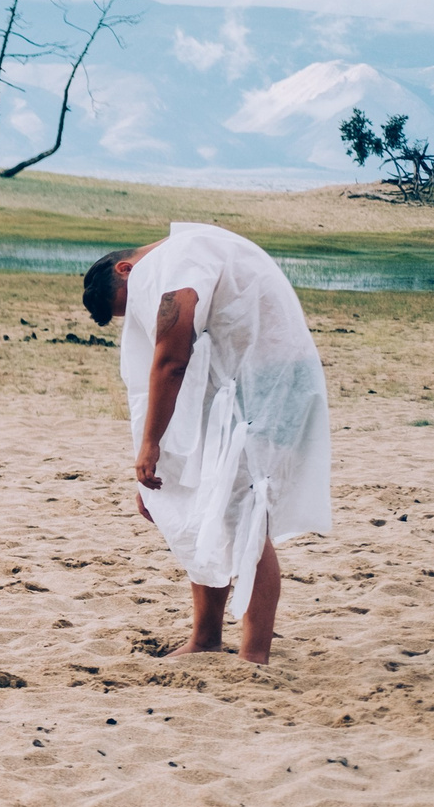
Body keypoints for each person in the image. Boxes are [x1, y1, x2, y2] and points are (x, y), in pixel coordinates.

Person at [83, 223, 331, 664]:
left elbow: (172, 358)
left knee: (244, 511)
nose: (141, 319)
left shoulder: (179, 260)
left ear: (126, 269)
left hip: (266, 385)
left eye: (129, 306)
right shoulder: (183, 251)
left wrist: (150, 446)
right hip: (236, 386)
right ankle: (206, 637)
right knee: (205, 506)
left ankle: (254, 655)